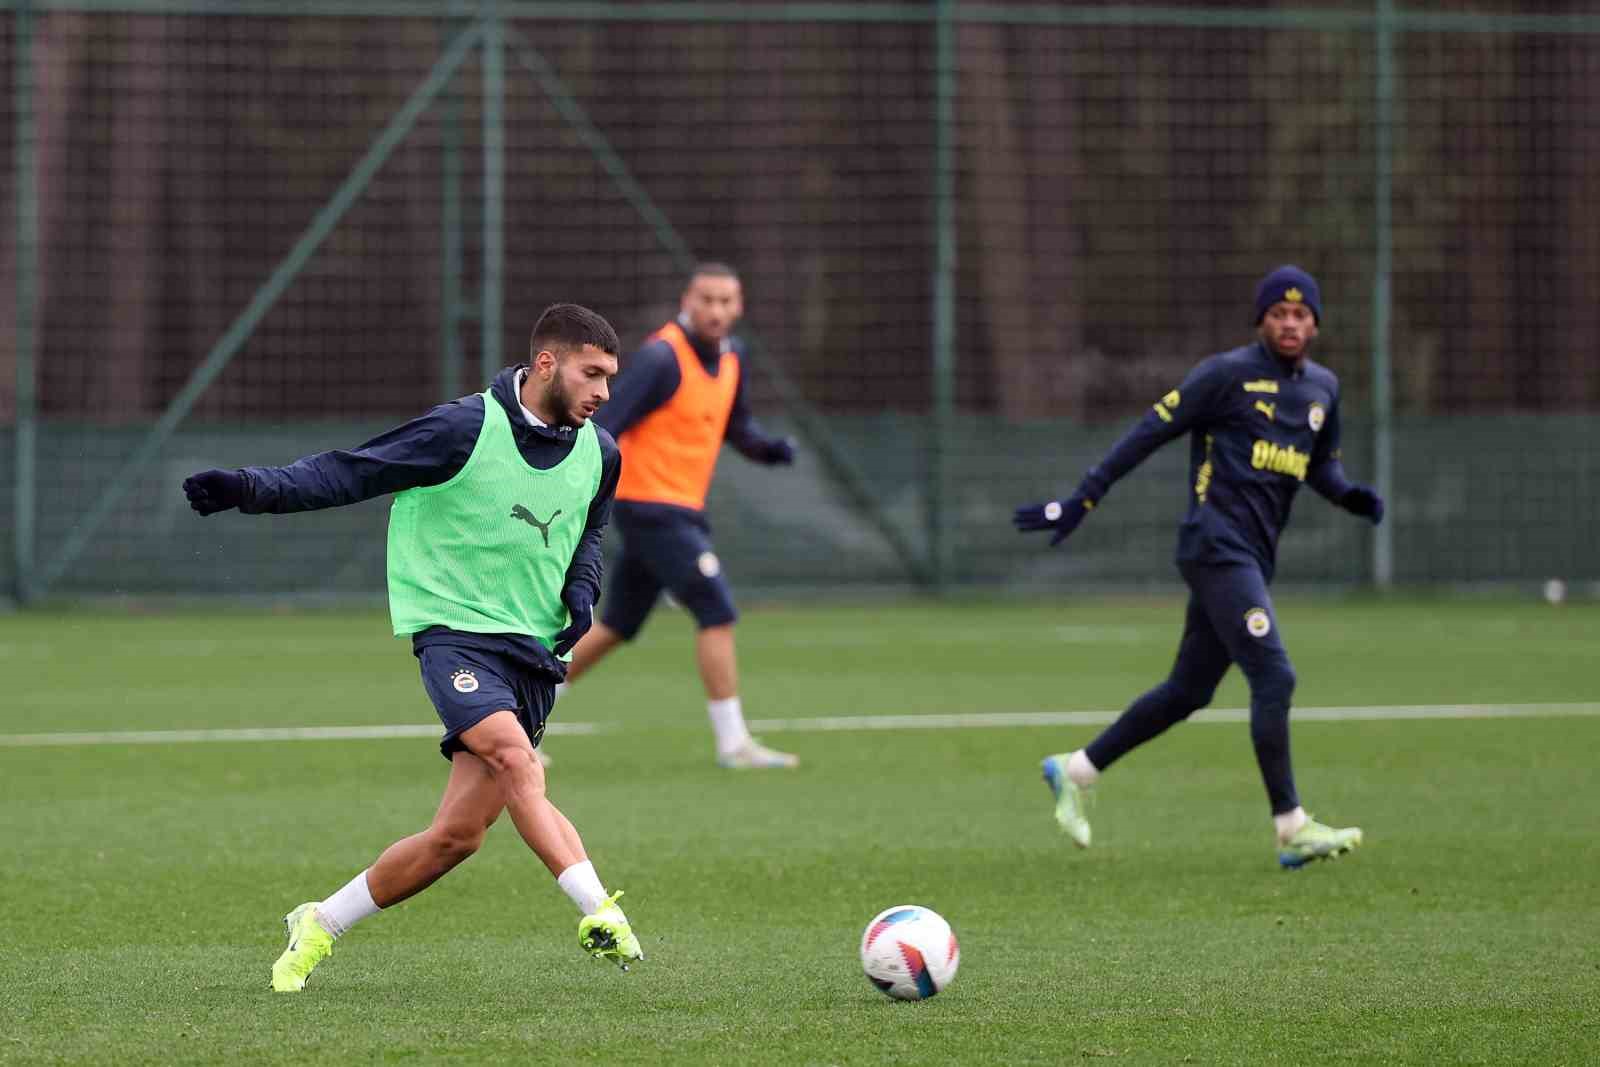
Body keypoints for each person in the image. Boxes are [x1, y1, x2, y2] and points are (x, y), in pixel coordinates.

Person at [181, 303, 645, 990]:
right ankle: (597, 908)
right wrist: (249, 487)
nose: (604, 391)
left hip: (533, 654)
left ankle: (320, 920)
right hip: (455, 635)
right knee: (517, 757)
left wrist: (582, 588)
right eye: (592, 373)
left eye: (610, 377)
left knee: (456, 839)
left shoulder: (600, 452)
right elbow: (350, 471)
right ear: (547, 363)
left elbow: (589, 533)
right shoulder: (462, 428)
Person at [1013, 266, 1384, 869]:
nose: (1290, 323)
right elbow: (1146, 433)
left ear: (1315, 323)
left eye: (1301, 314)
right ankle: (1291, 828)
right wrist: (1083, 497)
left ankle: (1075, 770)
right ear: (1261, 319)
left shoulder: (1322, 390)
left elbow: (1320, 466)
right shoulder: (1225, 376)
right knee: (1275, 676)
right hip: (1215, 544)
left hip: (1251, 557)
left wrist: (1349, 496)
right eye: (1278, 313)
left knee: (1188, 690)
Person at [557, 263, 801, 770]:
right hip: (649, 508)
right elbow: (608, 422)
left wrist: (771, 451)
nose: (716, 310)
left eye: (726, 301)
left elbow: (737, 427)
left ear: (739, 307)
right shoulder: (661, 358)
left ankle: (517, 708)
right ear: (687, 301)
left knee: (616, 626)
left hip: (683, 510)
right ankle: (734, 743)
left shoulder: (733, 358)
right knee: (716, 609)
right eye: (706, 299)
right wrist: (580, 487)